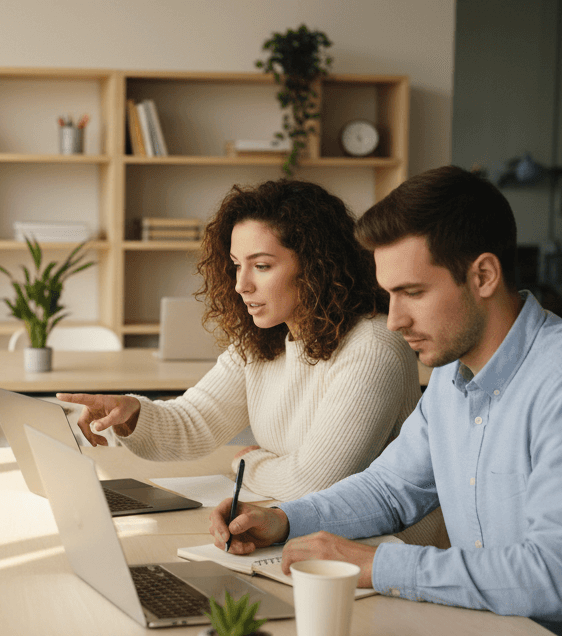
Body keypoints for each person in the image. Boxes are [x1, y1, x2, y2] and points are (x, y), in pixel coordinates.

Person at [210, 165, 562, 636]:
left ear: (483, 276)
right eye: (388, 294)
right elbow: (390, 490)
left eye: (412, 292)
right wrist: (285, 519)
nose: (392, 320)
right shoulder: (452, 379)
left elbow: (561, 579)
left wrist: (377, 565)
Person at [58, 179, 419, 501]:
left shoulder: (372, 347)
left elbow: (314, 484)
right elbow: (193, 422)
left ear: (316, 266)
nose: (240, 285)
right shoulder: (264, 341)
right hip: (299, 530)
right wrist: (132, 413)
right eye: (235, 264)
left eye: (261, 266)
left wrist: (248, 462)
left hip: (374, 554)